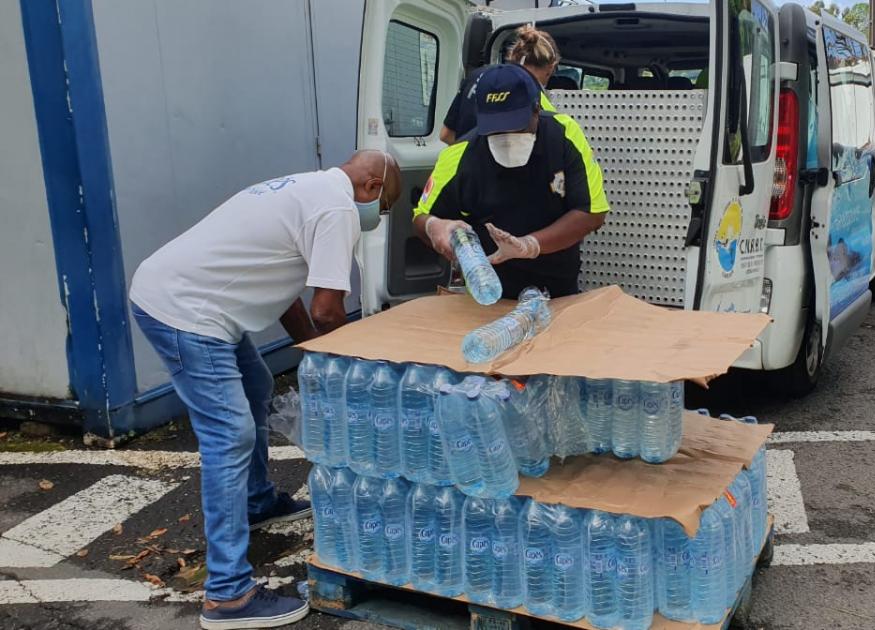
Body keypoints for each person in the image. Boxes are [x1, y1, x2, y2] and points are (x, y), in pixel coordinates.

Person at [129, 150, 401, 629]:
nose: (375, 219)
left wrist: (313, 351)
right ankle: (228, 595)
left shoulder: (304, 186)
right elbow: (327, 310)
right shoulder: (338, 209)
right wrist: (348, 372)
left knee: (256, 383)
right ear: (373, 185)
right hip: (188, 314)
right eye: (381, 209)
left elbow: (290, 296)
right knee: (230, 434)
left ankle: (257, 502)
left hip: (180, 296)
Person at [415, 64, 608, 299]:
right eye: (496, 131)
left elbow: (592, 212)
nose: (507, 138)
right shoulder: (460, 155)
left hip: (556, 283)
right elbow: (422, 216)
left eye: (517, 127)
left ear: (536, 110)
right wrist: (434, 227)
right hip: (488, 287)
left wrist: (530, 245)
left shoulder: (564, 135)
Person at [440, 24, 561, 144]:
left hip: (455, 161)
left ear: (513, 55)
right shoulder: (535, 97)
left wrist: (467, 152)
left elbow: (446, 134)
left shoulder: (476, 76)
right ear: (550, 68)